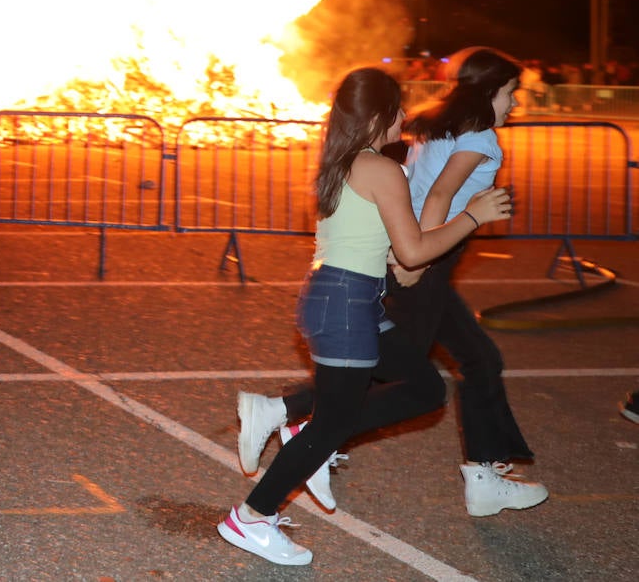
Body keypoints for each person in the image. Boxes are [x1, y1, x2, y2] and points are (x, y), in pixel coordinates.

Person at [218, 67, 512, 567]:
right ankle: (251, 516)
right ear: (377, 115)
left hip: (342, 299)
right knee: (332, 425)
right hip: (346, 308)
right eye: (396, 108)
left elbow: (374, 242)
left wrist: (397, 259)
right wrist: (472, 217)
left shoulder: (344, 160)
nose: (403, 116)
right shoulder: (381, 168)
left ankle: (293, 423)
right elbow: (416, 250)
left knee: (424, 387)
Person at [388, 46, 548, 517]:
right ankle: (294, 416)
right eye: (509, 92)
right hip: (424, 260)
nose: (514, 103)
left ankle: (483, 474)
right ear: (488, 91)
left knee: (479, 360)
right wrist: (419, 262)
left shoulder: (441, 127)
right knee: (402, 375)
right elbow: (439, 195)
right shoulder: (481, 137)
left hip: (414, 252)